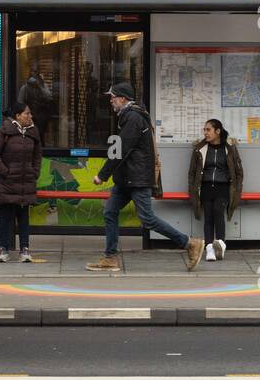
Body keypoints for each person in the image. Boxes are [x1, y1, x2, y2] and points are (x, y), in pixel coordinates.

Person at [87, 82, 204, 272]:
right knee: (110, 212)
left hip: (137, 178)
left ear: (123, 98)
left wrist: (102, 174)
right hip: (126, 179)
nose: (111, 100)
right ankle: (111, 257)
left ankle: (190, 244)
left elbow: (122, 149)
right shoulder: (128, 116)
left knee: (148, 219)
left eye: (113, 97)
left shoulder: (132, 117)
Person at [0, 100, 42, 263]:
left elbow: (37, 154)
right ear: (17, 116)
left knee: (23, 216)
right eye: (27, 113)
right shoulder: (3, 131)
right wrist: (5, 171)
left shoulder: (33, 131)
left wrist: (35, 172)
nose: (30, 116)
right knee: (6, 215)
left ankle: (25, 249)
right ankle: (3, 248)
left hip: (26, 181)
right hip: (7, 182)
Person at [188, 119, 244, 261]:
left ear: (217, 131)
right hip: (205, 187)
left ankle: (220, 243)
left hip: (223, 186)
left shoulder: (229, 148)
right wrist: (192, 189)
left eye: (208, 130)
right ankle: (209, 249)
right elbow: (192, 172)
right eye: (204, 130)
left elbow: (238, 171)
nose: (205, 133)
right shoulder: (200, 149)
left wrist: (237, 188)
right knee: (208, 217)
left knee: (219, 212)